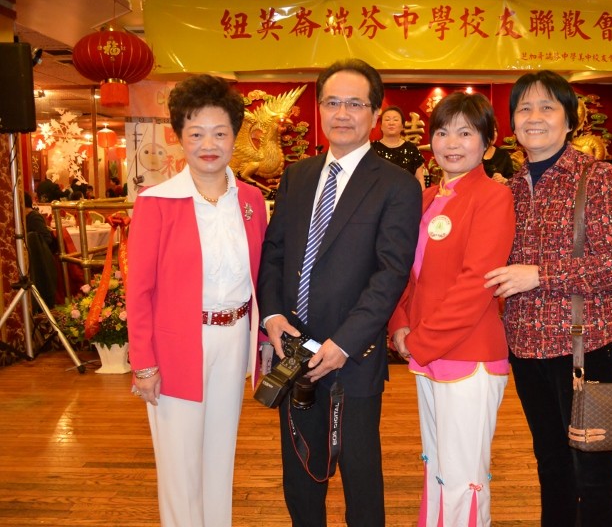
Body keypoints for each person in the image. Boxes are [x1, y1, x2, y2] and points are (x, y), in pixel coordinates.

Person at [257, 59, 421, 527]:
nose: (342, 113)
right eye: (332, 102)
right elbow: (274, 253)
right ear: (320, 108)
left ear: (375, 113)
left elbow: (391, 273)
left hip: (353, 356)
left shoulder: (397, 185)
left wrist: (344, 343)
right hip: (292, 351)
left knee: (360, 475)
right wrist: (272, 316)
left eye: (355, 104)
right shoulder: (298, 175)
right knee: (300, 473)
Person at [484, 70, 612, 527]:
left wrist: (540, 275)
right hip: (527, 348)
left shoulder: (599, 178)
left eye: (547, 107)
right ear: (513, 123)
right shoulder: (510, 190)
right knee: (550, 463)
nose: (534, 117)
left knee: (594, 468)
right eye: (524, 108)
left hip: (586, 346)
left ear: (569, 120)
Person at [126, 74, 268, 527]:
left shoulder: (251, 200)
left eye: (220, 133)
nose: (209, 145)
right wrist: (144, 363)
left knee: (220, 456)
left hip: (234, 340)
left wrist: (262, 340)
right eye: (196, 133)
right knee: (180, 463)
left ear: (234, 137)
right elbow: (139, 290)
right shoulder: (157, 202)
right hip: (178, 344)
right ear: (179, 137)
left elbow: (261, 276)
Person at [388, 92, 514, 526]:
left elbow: (477, 283)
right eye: (442, 132)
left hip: (469, 352)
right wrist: (400, 324)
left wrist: (420, 340)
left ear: (487, 145)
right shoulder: (425, 197)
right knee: (438, 465)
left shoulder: (493, 197)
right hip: (426, 350)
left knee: (464, 476)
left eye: (465, 133)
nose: (452, 143)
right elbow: (405, 272)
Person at [371, 105, 427, 188]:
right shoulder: (372, 149)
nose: (391, 123)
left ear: (402, 126)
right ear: (381, 126)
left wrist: (422, 195)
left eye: (396, 120)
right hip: (378, 195)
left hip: (406, 194)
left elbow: (419, 179)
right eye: (387, 119)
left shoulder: (411, 149)